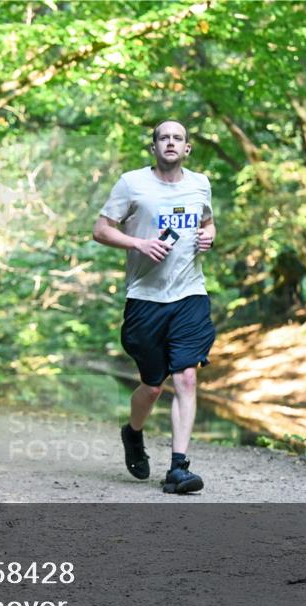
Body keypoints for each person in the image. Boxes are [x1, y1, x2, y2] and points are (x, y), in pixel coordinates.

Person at [93, 119, 217, 494]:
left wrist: (209, 236)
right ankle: (133, 433)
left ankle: (178, 467)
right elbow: (101, 230)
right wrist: (138, 244)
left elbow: (208, 223)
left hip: (190, 294)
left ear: (187, 148)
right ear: (154, 147)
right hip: (145, 298)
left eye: (178, 138)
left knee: (186, 376)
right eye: (163, 138)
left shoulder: (200, 184)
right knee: (152, 386)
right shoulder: (133, 183)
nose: (170, 143)